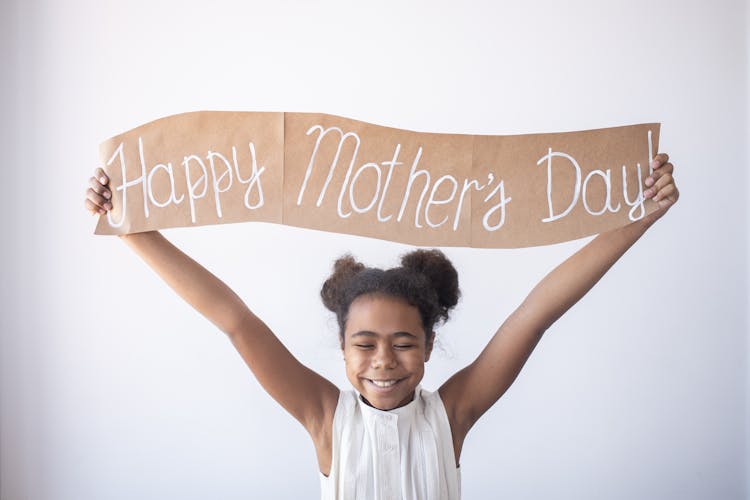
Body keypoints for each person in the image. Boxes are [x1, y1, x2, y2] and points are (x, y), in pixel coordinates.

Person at [85, 154, 679, 500]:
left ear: (427, 348)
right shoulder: (328, 419)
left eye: (403, 343)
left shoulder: (450, 417)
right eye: (364, 344)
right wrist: (128, 228)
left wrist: (641, 218)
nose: (384, 361)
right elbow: (236, 321)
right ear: (342, 350)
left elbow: (535, 314)